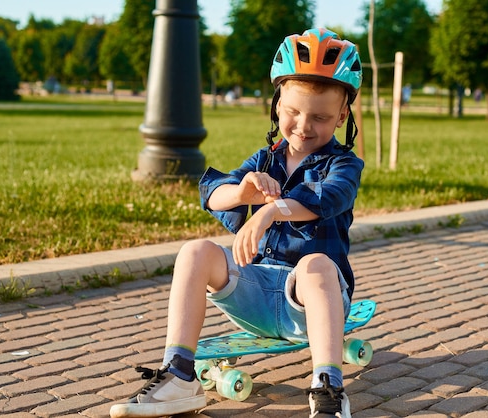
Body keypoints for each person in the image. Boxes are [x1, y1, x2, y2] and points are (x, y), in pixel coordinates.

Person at [110, 28, 364, 418]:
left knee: (316, 265)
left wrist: (269, 212)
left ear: (342, 115)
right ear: (277, 105)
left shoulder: (343, 164)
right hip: (256, 296)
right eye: (293, 112)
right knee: (195, 251)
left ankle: (328, 390)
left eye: (321, 117)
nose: (303, 125)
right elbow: (211, 192)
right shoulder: (265, 159)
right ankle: (179, 376)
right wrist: (243, 194)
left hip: (310, 302)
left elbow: (327, 199)